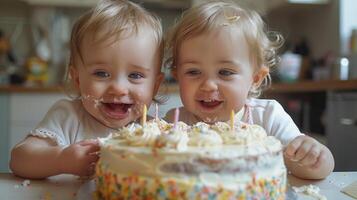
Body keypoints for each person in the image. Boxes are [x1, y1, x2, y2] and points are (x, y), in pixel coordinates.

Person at [164, 1, 334, 179]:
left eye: (225, 72)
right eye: (193, 72)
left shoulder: (268, 117)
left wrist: (314, 158)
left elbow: (308, 167)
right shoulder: (174, 123)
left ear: (255, 79)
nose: (208, 85)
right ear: (177, 76)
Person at [10, 0, 164, 179]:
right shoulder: (68, 116)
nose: (119, 88)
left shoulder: (154, 131)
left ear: (155, 86)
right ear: (77, 79)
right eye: (101, 73)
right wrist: (60, 160)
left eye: (135, 75)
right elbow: (18, 160)